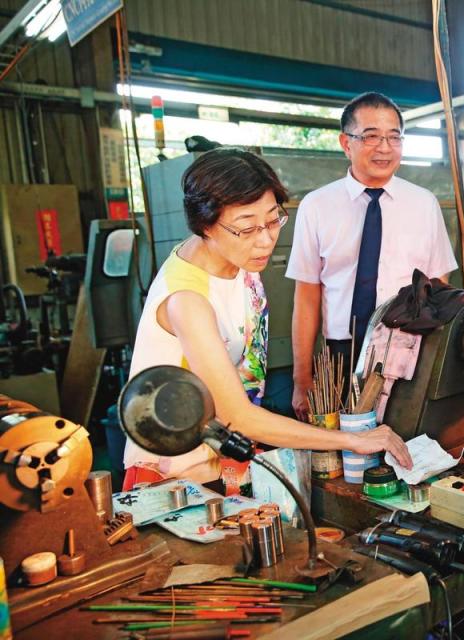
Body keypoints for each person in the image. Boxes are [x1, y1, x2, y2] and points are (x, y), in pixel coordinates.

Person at [123, 148, 412, 490]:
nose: (265, 240)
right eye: (247, 228)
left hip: (224, 459)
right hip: (174, 476)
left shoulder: (238, 260)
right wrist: (354, 440)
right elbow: (238, 417)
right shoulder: (188, 300)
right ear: (205, 226)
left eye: (273, 220)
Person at [286, 92, 458, 421]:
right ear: (345, 142)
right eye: (371, 136)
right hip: (340, 354)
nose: (384, 147)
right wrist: (301, 378)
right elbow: (307, 296)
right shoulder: (317, 206)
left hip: (409, 349)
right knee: (340, 449)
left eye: (394, 137)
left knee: (405, 440)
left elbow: (438, 289)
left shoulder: (423, 204)